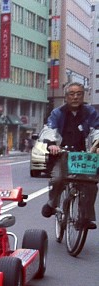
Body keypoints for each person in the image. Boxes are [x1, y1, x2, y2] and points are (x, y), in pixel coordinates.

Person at [39, 82, 98, 229]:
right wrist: (52, 143)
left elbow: (96, 129)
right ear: (66, 97)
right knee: (58, 178)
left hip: (85, 155)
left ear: (83, 96)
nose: (75, 97)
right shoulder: (57, 113)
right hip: (63, 153)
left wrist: (96, 143)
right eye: (72, 94)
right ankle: (52, 204)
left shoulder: (90, 112)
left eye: (79, 94)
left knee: (91, 184)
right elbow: (49, 128)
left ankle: (85, 217)